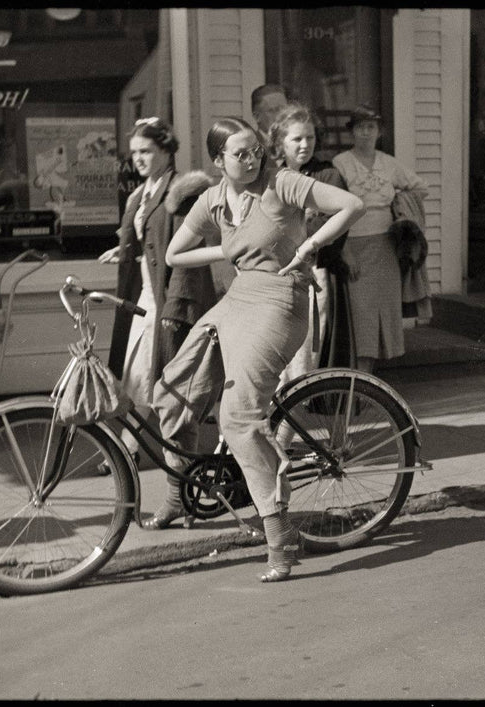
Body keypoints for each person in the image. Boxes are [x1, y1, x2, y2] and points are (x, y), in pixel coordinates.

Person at [151, 116, 364, 581]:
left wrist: (309, 244)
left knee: (239, 415)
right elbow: (174, 254)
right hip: (240, 297)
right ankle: (175, 494)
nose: (252, 160)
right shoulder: (212, 199)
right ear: (218, 161)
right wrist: (226, 251)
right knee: (171, 389)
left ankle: (280, 536)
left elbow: (352, 205)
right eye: (239, 154)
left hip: (281, 299)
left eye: (255, 151)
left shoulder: (281, 183)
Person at [97, 117, 217, 525]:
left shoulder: (182, 193)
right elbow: (143, 238)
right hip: (143, 304)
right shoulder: (141, 194)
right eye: (134, 154)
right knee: (134, 389)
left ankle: (176, 495)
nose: (139, 160)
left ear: (167, 150)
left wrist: (175, 315)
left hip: (171, 306)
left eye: (146, 152)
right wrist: (123, 253)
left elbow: (186, 260)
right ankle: (140, 462)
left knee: (171, 400)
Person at [333, 104, 428, 374]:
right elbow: (334, 208)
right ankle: (355, 383)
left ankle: (367, 384)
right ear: (351, 132)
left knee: (380, 319)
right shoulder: (341, 162)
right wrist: (344, 250)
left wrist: (400, 203)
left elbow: (421, 187)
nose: (365, 132)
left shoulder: (388, 163)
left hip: (386, 247)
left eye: (371, 127)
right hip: (354, 244)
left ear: (379, 131)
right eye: (360, 127)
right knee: (360, 318)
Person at [268, 102, 357, 383]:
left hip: (313, 273)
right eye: (297, 138)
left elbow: (336, 226)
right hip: (271, 275)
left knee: (303, 353)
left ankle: (296, 414)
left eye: (310, 137)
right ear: (281, 142)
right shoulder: (270, 177)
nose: (305, 144)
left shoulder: (328, 176)